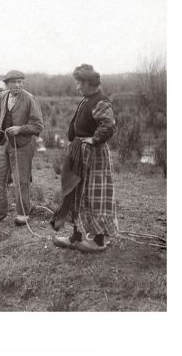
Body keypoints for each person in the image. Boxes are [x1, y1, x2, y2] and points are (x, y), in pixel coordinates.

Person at [51, 64, 118, 253]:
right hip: (80, 152)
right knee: (77, 192)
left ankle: (98, 241)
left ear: (89, 83)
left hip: (94, 155)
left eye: (79, 83)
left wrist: (93, 139)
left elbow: (108, 126)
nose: (77, 87)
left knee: (96, 196)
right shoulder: (86, 100)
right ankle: (76, 238)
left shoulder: (100, 101)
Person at [0, 70, 44, 226]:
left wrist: (20, 129)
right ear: (7, 84)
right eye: (13, 82)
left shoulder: (30, 99)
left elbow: (38, 126)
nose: (17, 85)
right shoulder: (2, 96)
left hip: (22, 146)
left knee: (20, 180)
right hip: (4, 144)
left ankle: (23, 213)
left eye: (20, 82)